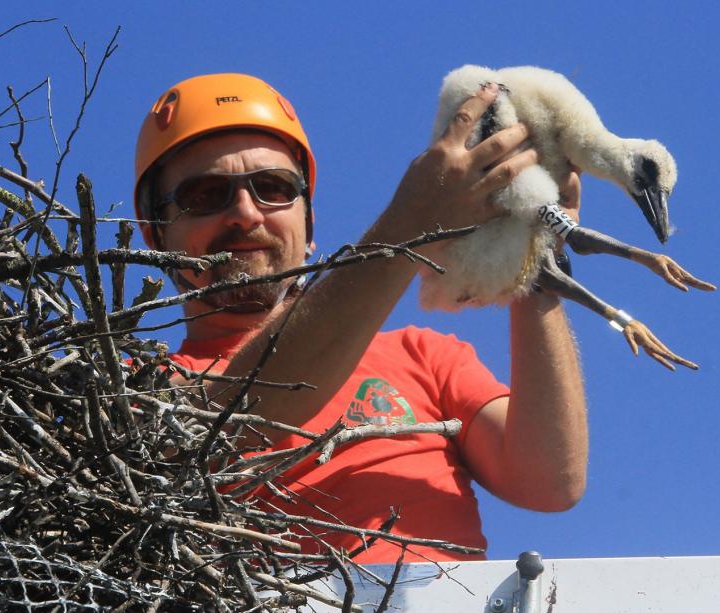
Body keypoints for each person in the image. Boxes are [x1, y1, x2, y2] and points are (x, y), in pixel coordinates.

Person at [133, 73, 587, 563]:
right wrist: (411, 224)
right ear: (155, 236)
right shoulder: (134, 394)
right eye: (204, 195)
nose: (246, 213)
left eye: (272, 187)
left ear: (309, 223)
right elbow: (244, 414)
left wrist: (532, 257)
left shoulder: (424, 356)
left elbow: (549, 483)